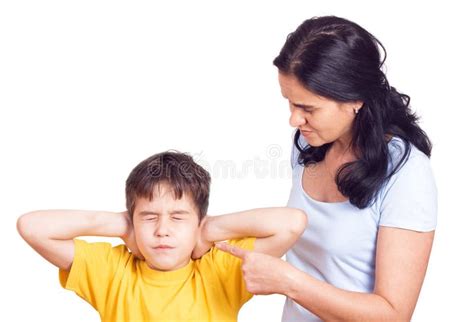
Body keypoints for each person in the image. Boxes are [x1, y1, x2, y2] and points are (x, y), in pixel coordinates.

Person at [215, 15, 437, 321]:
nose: (294, 120)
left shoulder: (407, 173)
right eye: (289, 103)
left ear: (355, 99)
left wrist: (288, 282)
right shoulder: (308, 147)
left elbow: (393, 315)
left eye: (308, 108)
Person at [16, 150, 307, 322]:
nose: (162, 229)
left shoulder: (219, 268)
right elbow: (32, 226)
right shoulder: (111, 271)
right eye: (149, 217)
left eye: (178, 217)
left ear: (197, 221)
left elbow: (292, 223)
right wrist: (121, 225)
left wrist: (207, 232)